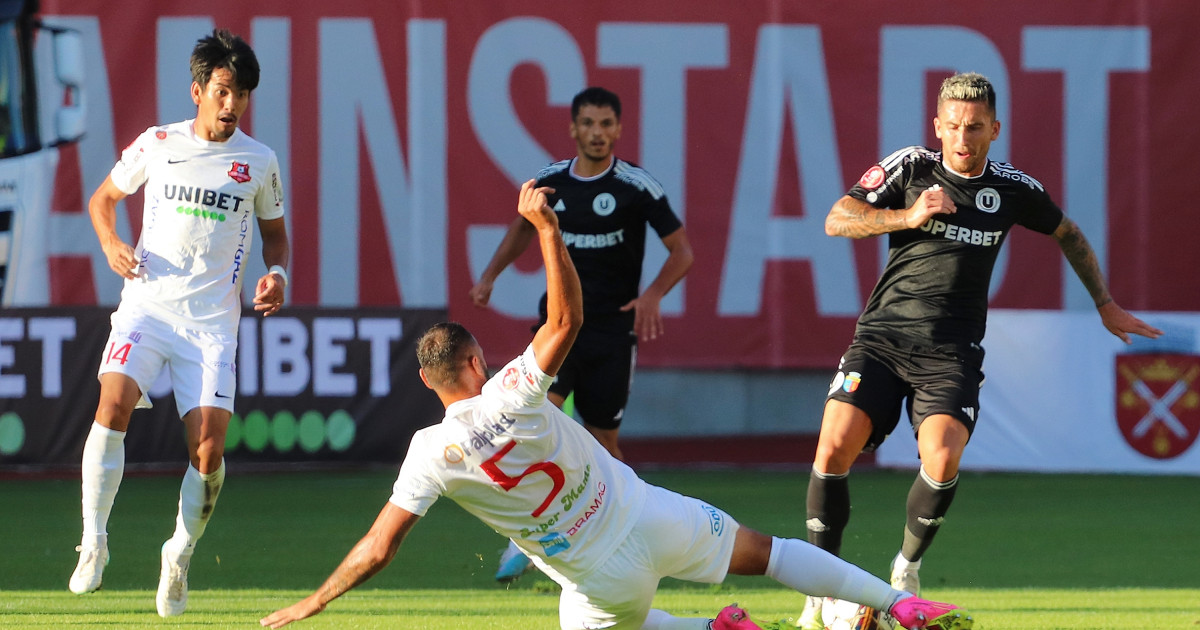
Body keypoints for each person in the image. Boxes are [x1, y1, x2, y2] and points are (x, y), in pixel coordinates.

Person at [259, 181, 973, 630]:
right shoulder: (513, 389)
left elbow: (379, 548)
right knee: (778, 555)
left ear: (431, 384)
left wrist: (313, 603)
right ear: (477, 362)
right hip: (649, 515)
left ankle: (716, 629)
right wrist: (546, 229)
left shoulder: (427, 455)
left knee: (596, 619)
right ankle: (896, 603)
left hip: (599, 574)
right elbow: (565, 323)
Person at [795, 72, 1162, 630]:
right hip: (883, 339)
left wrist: (1105, 303)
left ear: (994, 128)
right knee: (832, 448)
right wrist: (906, 216)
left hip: (952, 352)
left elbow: (1067, 232)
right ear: (937, 126)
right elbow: (835, 219)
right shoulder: (911, 168)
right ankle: (821, 584)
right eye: (954, 127)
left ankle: (906, 570)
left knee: (942, 459)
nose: (963, 138)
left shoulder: (1014, 188)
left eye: (975, 127)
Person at [68, 29, 289, 619]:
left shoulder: (259, 161)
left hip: (213, 326)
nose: (232, 102)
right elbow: (101, 200)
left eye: (240, 92)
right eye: (222, 89)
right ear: (197, 90)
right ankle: (94, 541)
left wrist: (279, 276)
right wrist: (112, 242)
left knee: (210, 452)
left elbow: (276, 239)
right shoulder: (158, 143)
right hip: (148, 305)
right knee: (111, 405)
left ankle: (179, 554)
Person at [470, 85, 693, 581]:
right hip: (557, 329)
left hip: (611, 333)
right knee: (537, 419)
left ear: (618, 129)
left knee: (604, 444)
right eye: (588, 124)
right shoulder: (551, 181)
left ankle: (631, 534)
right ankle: (525, 538)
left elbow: (683, 251)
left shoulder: (637, 186)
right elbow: (522, 228)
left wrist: (653, 293)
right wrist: (490, 275)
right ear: (573, 129)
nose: (597, 133)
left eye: (606, 124)